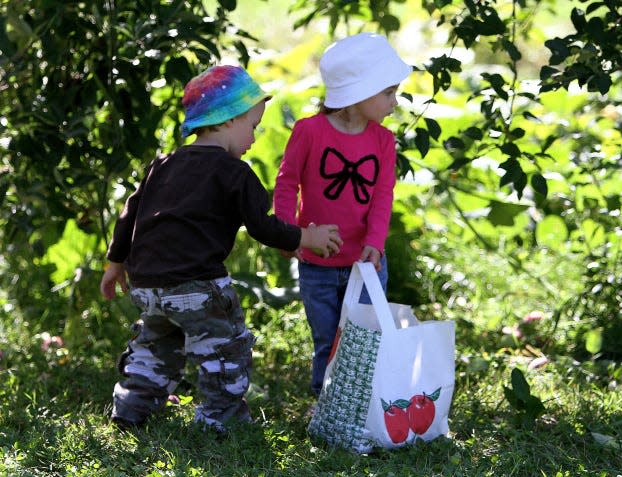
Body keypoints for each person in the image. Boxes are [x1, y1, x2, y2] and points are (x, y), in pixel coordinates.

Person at [99, 65, 343, 432]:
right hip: (198, 287)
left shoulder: (162, 165)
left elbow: (129, 214)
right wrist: (306, 237)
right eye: (253, 126)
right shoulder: (235, 172)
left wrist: (115, 264)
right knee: (224, 350)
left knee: (156, 347)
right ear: (228, 120)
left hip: (147, 286)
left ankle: (131, 407)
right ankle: (220, 417)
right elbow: (263, 226)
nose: (255, 138)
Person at [273, 33, 412, 396]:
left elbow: (383, 196)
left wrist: (375, 244)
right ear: (357, 93)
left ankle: (362, 404)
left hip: (364, 265)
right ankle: (326, 403)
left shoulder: (383, 141)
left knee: (364, 340)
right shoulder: (308, 132)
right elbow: (287, 183)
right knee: (325, 339)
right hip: (317, 264)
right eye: (388, 93)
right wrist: (287, 232)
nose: (394, 103)